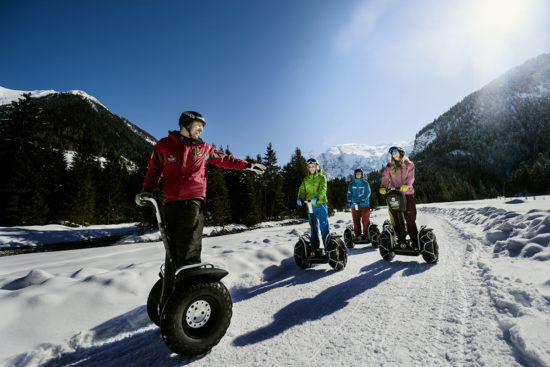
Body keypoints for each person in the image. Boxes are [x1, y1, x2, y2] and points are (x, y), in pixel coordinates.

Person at [135, 110, 265, 274]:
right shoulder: (164, 145)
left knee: (189, 244)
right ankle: (172, 281)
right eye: (198, 125)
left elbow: (225, 159)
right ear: (186, 125)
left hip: (193, 200)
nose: (201, 130)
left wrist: (248, 166)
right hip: (170, 202)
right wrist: (147, 190)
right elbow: (154, 170)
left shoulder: (204, 148)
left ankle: (190, 281)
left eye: (202, 127)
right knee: (171, 246)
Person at [379, 146, 418, 246]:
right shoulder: (389, 166)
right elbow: (385, 177)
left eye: (396, 153)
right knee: (396, 218)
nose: (394, 155)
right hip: (394, 195)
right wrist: (383, 187)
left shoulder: (409, 164)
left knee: (410, 218)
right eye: (392, 154)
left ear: (401, 153)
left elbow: (411, 177)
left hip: (407, 194)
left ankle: (415, 241)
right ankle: (400, 240)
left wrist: (407, 185)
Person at [296, 158, 329, 255]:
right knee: (313, 227)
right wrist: (300, 198)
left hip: (321, 204)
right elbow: (302, 190)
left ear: (317, 167)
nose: (311, 168)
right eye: (309, 167)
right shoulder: (305, 180)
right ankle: (315, 249)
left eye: (313, 166)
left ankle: (328, 249)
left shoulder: (322, 178)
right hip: (310, 206)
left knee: (324, 226)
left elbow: (323, 189)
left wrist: (317, 197)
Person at [346, 168, 371, 239]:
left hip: (364, 205)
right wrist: (349, 200)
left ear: (362, 175)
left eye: (360, 174)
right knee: (355, 220)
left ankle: (366, 234)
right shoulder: (351, 184)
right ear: (355, 175)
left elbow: (368, 192)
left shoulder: (365, 183)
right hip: (354, 205)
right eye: (357, 174)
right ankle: (357, 234)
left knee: (365, 220)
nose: (358, 175)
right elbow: (349, 193)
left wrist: (364, 199)